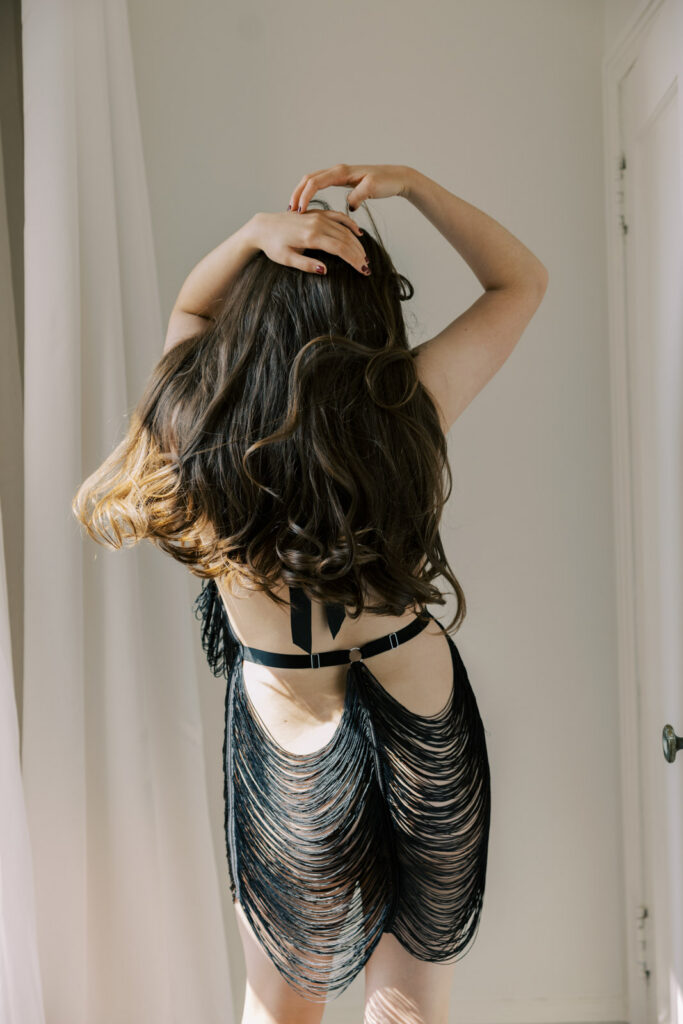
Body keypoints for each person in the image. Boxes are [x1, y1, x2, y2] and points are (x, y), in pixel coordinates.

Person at [73, 163, 548, 1024]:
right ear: (375, 316)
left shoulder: (196, 414)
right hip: (419, 698)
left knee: (279, 1005)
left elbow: (192, 310)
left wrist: (254, 235)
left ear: (251, 309)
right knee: (407, 1009)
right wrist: (413, 188)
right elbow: (520, 279)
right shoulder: (409, 407)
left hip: (289, 718)